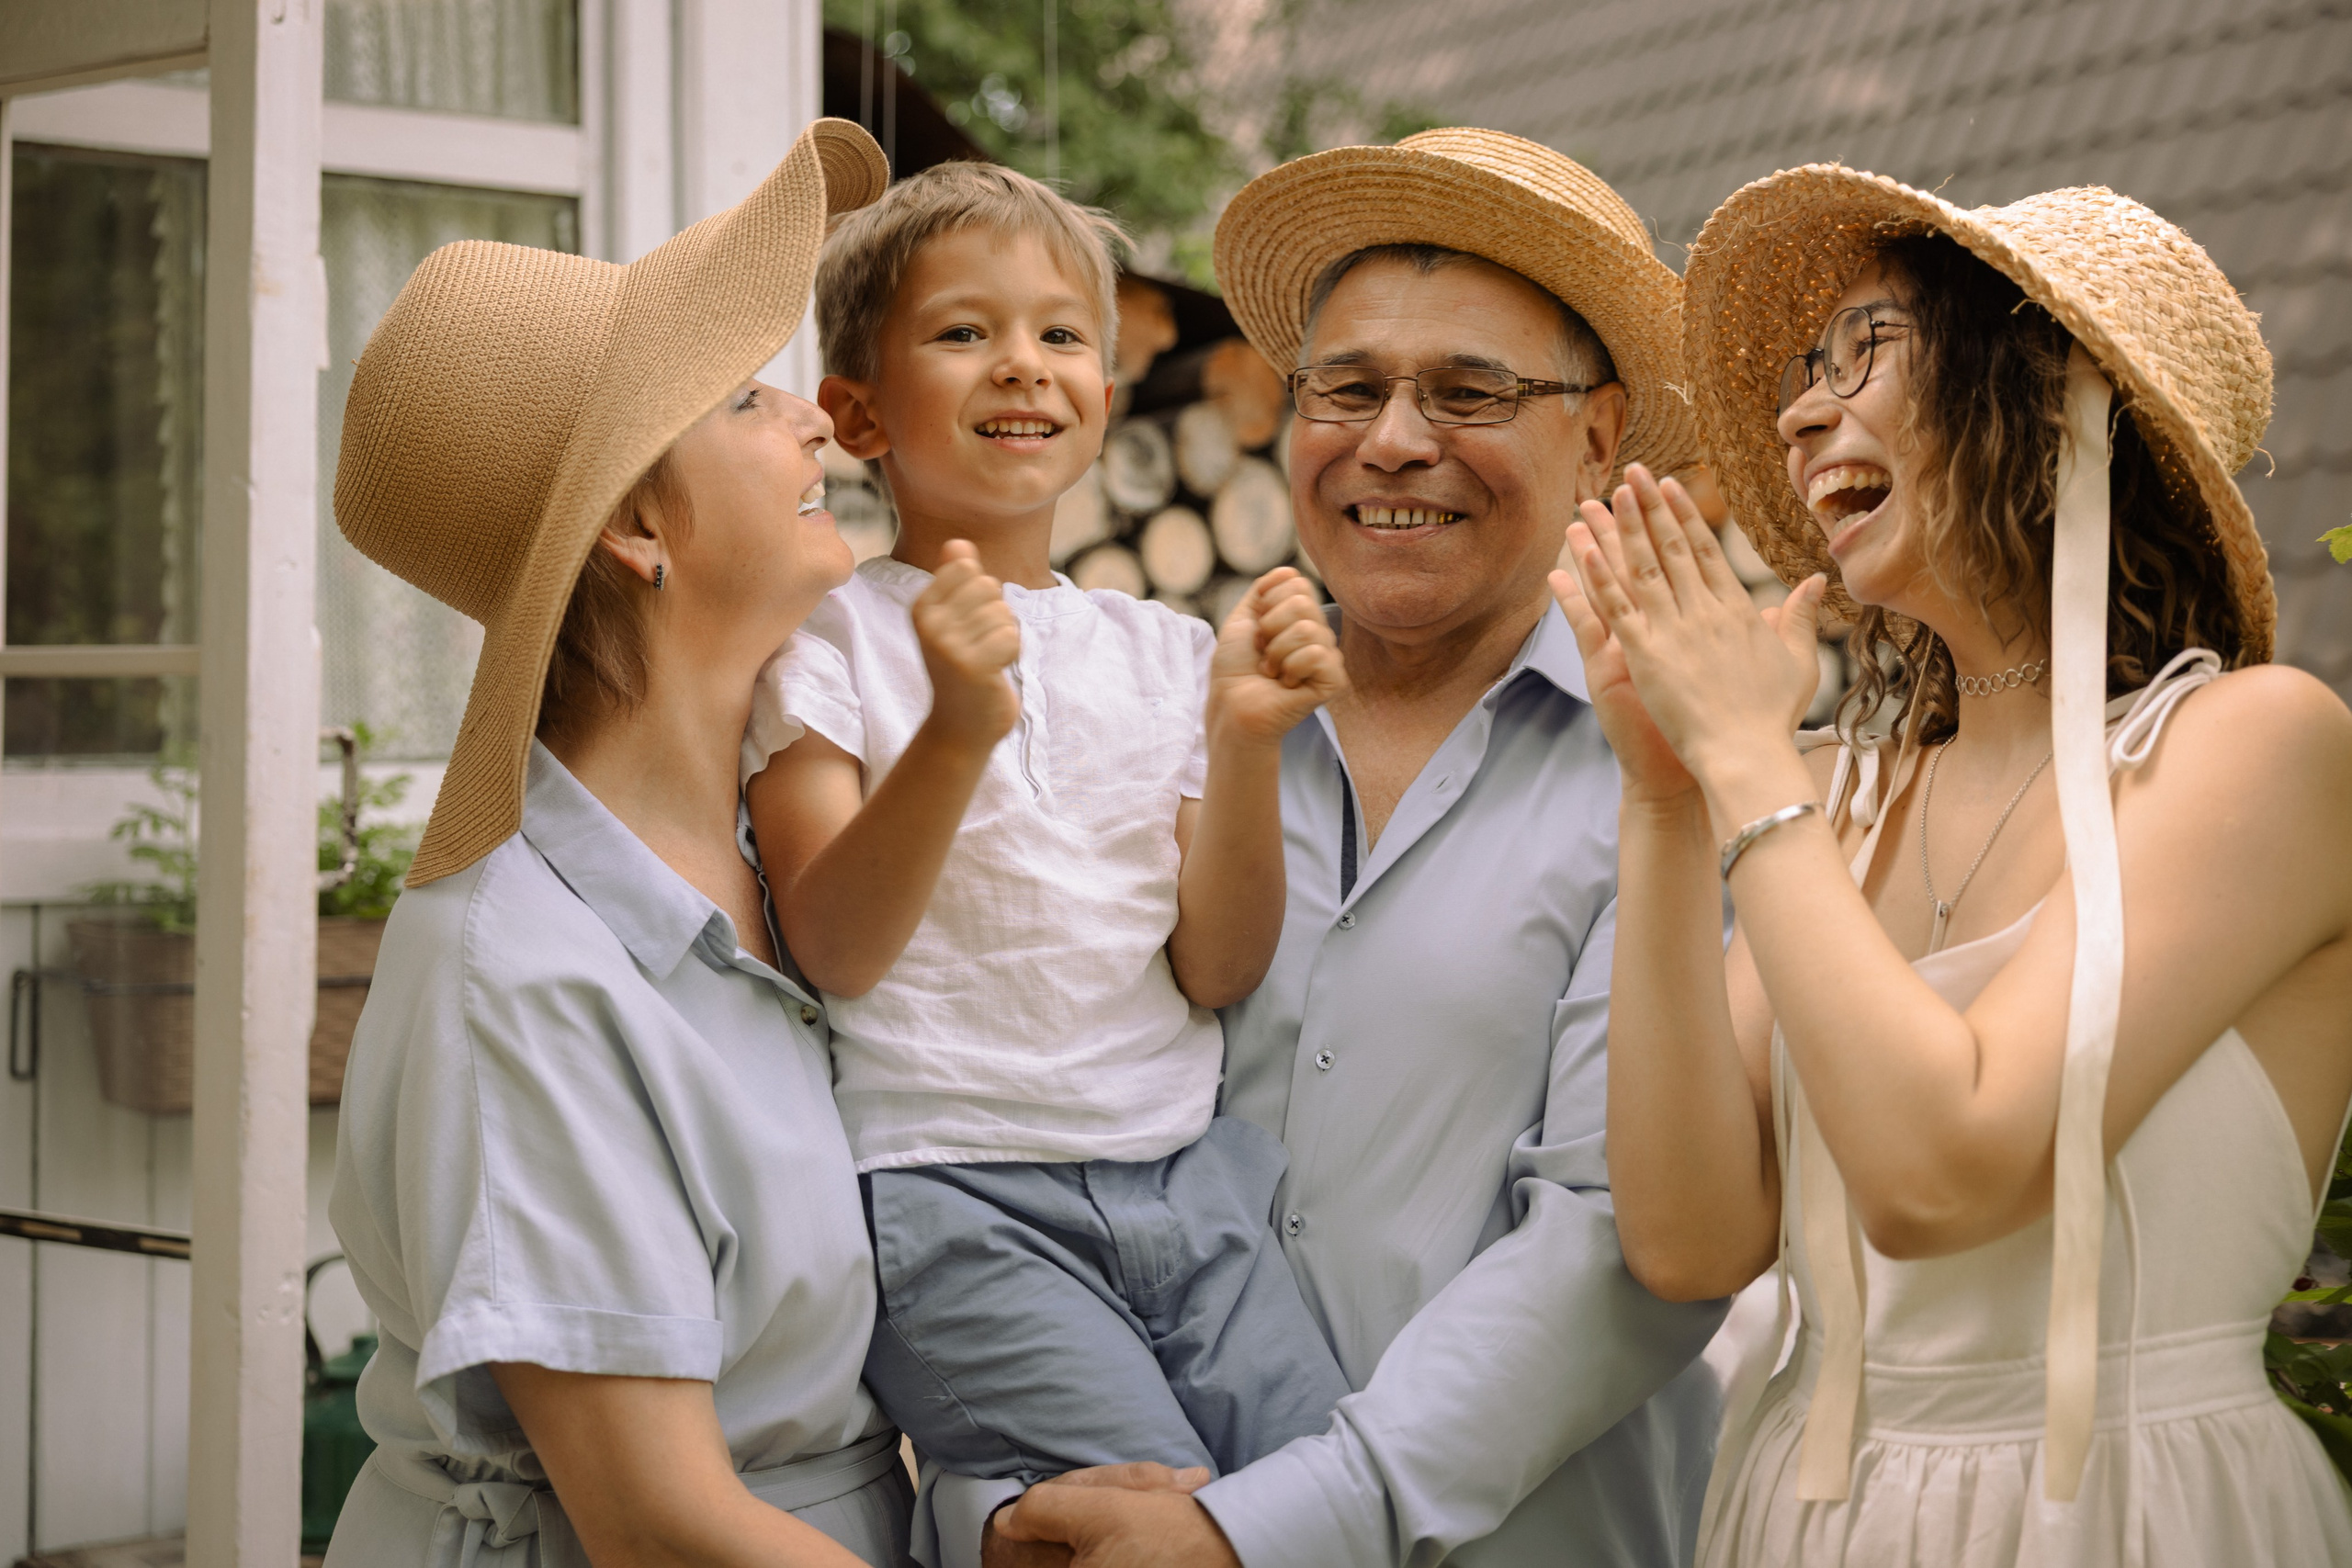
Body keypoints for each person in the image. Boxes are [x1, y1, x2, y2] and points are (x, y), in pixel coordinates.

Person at [1558, 169, 2352, 1565]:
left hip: (2124, 1515)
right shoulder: (1833, 804)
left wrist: (1743, 766)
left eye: (1868, 350)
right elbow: (1687, 1240)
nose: (1804, 413)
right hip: (1807, 1514)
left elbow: (1943, 1179)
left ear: (2054, 399)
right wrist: (1665, 795)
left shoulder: (2261, 746)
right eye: (1809, 369)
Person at [990, 129, 1732, 1568]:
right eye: (1348, 386)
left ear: (1598, 432)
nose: (1393, 440)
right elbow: (1012, 1114)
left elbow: (1621, 1246)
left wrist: (1261, 1532)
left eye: (1469, 390)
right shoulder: (1158, 724)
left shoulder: (1686, 774)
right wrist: (1002, 1495)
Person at [321, 119, 918, 1567]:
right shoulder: (519, 973)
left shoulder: (789, 857)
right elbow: (660, 1521)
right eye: (740, 398)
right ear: (635, 534)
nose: (817, 423)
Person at [740, 160, 1352, 1557]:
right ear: (856, 412)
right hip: (959, 1195)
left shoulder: (1167, 652)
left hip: (1189, 1182)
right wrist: (957, 731)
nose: (1022, 362)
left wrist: (1248, 741)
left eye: (1062, 334)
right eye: (965, 331)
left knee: (1324, 1504)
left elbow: (1217, 962)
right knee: (1155, 1530)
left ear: (1106, 397)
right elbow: (832, 944)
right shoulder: (827, 643)